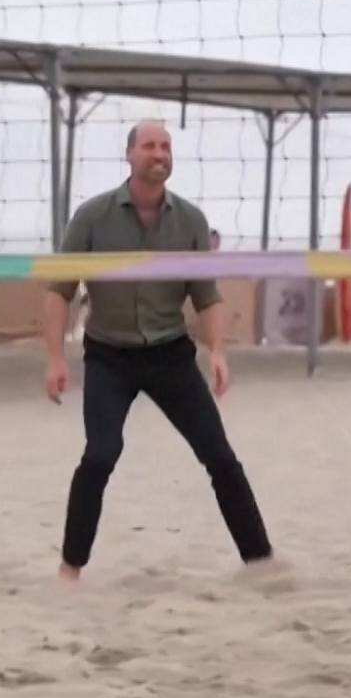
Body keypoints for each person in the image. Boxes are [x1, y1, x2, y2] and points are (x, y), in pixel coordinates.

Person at [42, 120, 276, 581]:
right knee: (101, 454)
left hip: (169, 353)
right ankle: (70, 569)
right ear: (129, 155)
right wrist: (54, 358)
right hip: (109, 354)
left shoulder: (190, 220)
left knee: (219, 455)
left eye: (165, 147)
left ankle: (261, 561)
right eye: (149, 146)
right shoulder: (92, 216)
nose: (159, 154)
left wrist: (218, 351)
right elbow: (58, 291)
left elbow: (207, 296)